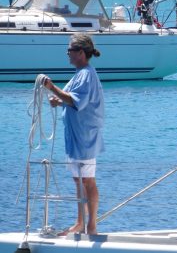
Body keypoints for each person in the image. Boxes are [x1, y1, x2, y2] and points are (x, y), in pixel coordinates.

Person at [41, 34, 104, 235]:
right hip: (76, 136)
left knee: (87, 180)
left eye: (70, 50)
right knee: (79, 179)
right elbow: (71, 100)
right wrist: (58, 101)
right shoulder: (80, 73)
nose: (67, 54)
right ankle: (81, 222)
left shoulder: (86, 74)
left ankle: (90, 224)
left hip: (84, 136)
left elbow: (75, 100)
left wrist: (51, 88)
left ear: (80, 53)